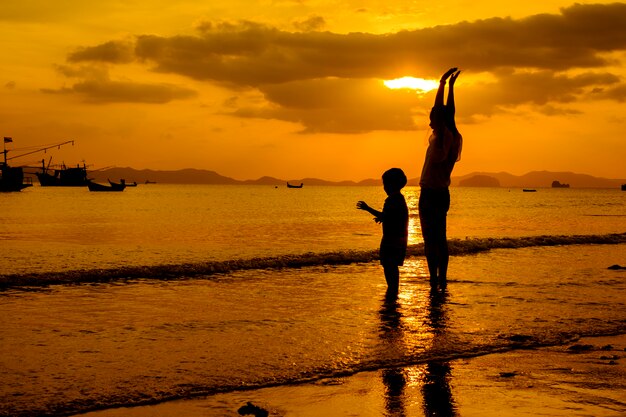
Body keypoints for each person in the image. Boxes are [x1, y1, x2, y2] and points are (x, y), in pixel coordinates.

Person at [419, 68, 463, 289]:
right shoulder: (453, 137)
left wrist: (441, 84)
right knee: (440, 239)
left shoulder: (442, 138)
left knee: (430, 240)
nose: (429, 123)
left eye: (431, 120)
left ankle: (434, 279)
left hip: (430, 195)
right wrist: (448, 86)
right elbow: (449, 111)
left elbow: (442, 111)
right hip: (442, 193)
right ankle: (440, 277)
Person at [357, 168, 409, 295]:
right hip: (400, 237)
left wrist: (368, 208)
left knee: (388, 264)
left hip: (391, 239)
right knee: (392, 265)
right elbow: (392, 216)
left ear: (392, 185)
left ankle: (392, 289)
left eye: (385, 184)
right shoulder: (400, 199)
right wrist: (382, 218)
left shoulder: (392, 200)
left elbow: (387, 216)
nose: (384, 187)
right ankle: (393, 288)